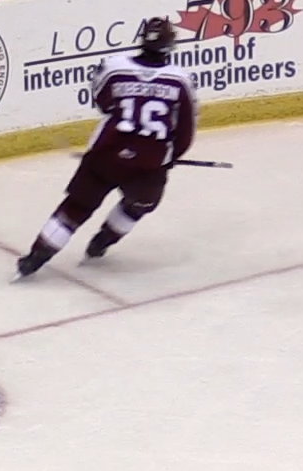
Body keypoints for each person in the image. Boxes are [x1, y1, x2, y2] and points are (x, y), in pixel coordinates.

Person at [14, 17, 196, 279]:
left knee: (76, 207)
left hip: (105, 154)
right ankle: (103, 241)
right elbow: (185, 133)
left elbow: (102, 101)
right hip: (150, 161)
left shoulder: (115, 67)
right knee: (139, 204)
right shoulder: (181, 80)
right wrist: (169, 157)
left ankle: (34, 259)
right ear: (170, 46)